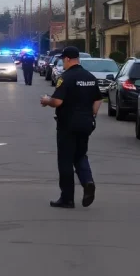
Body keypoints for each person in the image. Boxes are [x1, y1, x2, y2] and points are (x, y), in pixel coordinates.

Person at [40, 46, 102, 209]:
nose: (63, 63)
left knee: (65, 160)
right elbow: (97, 99)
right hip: (86, 123)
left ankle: (67, 198)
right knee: (80, 155)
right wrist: (92, 115)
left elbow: (57, 101)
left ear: (67, 59)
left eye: (62, 60)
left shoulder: (65, 77)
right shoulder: (90, 77)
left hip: (68, 124)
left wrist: (46, 100)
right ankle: (88, 182)